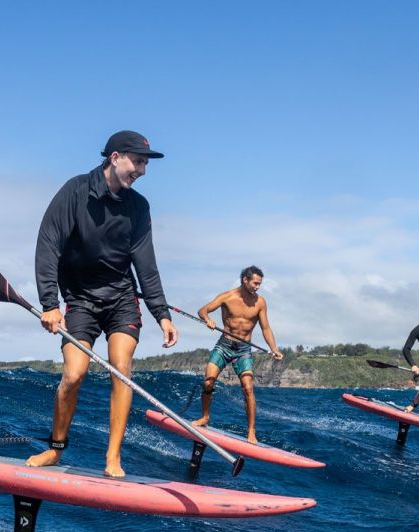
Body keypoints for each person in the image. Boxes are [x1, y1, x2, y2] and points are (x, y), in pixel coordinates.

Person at [26, 130, 177, 477]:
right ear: (115, 157)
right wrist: (49, 303)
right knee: (74, 374)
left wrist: (162, 314)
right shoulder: (75, 192)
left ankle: (112, 459)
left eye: (144, 164)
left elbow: (146, 263)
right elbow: (48, 245)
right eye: (138, 161)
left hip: (122, 298)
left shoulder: (138, 207)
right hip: (79, 300)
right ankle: (55, 449)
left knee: (120, 368)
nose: (142, 170)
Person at [191, 266, 283, 443]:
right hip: (224, 345)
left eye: (260, 284)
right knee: (208, 381)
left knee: (248, 388)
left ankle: (251, 431)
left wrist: (274, 348)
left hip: (243, 350)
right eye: (255, 283)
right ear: (245, 280)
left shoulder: (260, 302)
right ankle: (204, 417)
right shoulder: (227, 296)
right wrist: (208, 319)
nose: (257, 287)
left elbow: (265, 328)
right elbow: (203, 310)